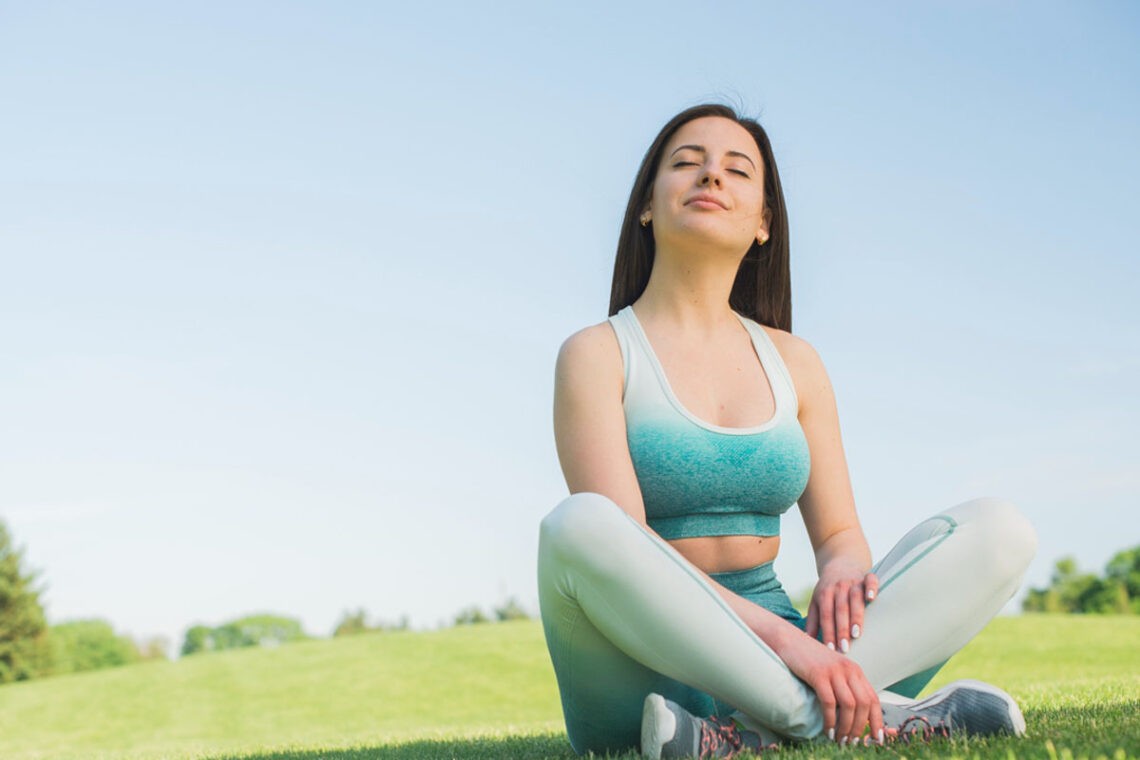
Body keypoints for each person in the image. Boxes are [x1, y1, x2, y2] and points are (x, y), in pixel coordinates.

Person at [537, 103, 1038, 759]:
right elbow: (631, 554)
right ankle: (857, 716)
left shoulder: (795, 362)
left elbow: (838, 535)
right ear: (647, 206)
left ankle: (741, 737)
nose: (710, 176)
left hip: (788, 651)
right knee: (579, 525)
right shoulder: (597, 354)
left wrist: (842, 574)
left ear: (765, 222)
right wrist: (789, 645)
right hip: (641, 673)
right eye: (687, 163)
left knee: (1001, 531)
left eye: (736, 170)